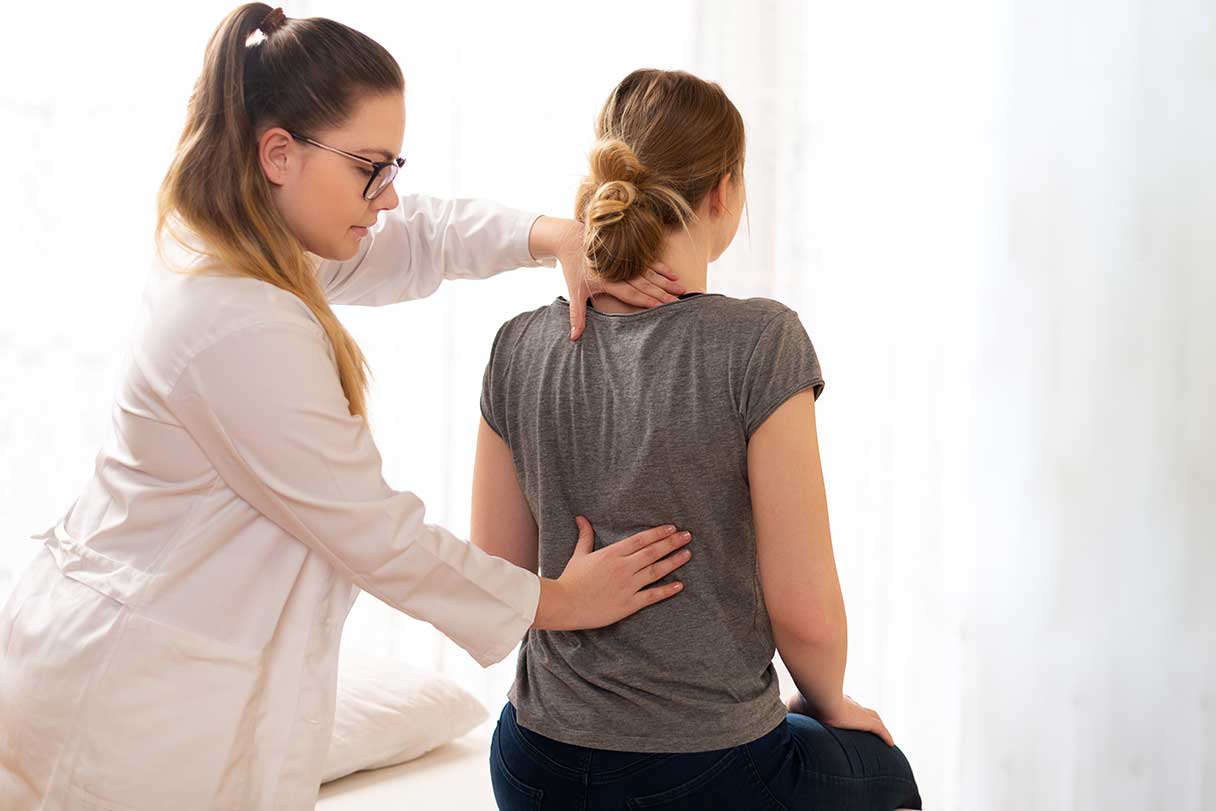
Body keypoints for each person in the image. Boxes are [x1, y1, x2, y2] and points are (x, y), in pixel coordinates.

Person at [0, 7, 696, 810]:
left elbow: (418, 238)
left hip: (123, 660)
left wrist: (553, 237)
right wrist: (564, 601)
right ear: (278, 154)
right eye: (371, 167)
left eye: (394, 164)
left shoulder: (251, 245)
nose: (390, 196)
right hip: (128, 705)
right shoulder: (236, 318)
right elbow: (379, 536)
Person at [472, 68, 924, 810]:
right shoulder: (760, 342)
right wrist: (832, 702)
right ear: (724, 193)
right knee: (883, 775)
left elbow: (494, 573)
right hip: (704, 769)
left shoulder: (517, 343)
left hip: (532, 763)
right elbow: (804, 610)